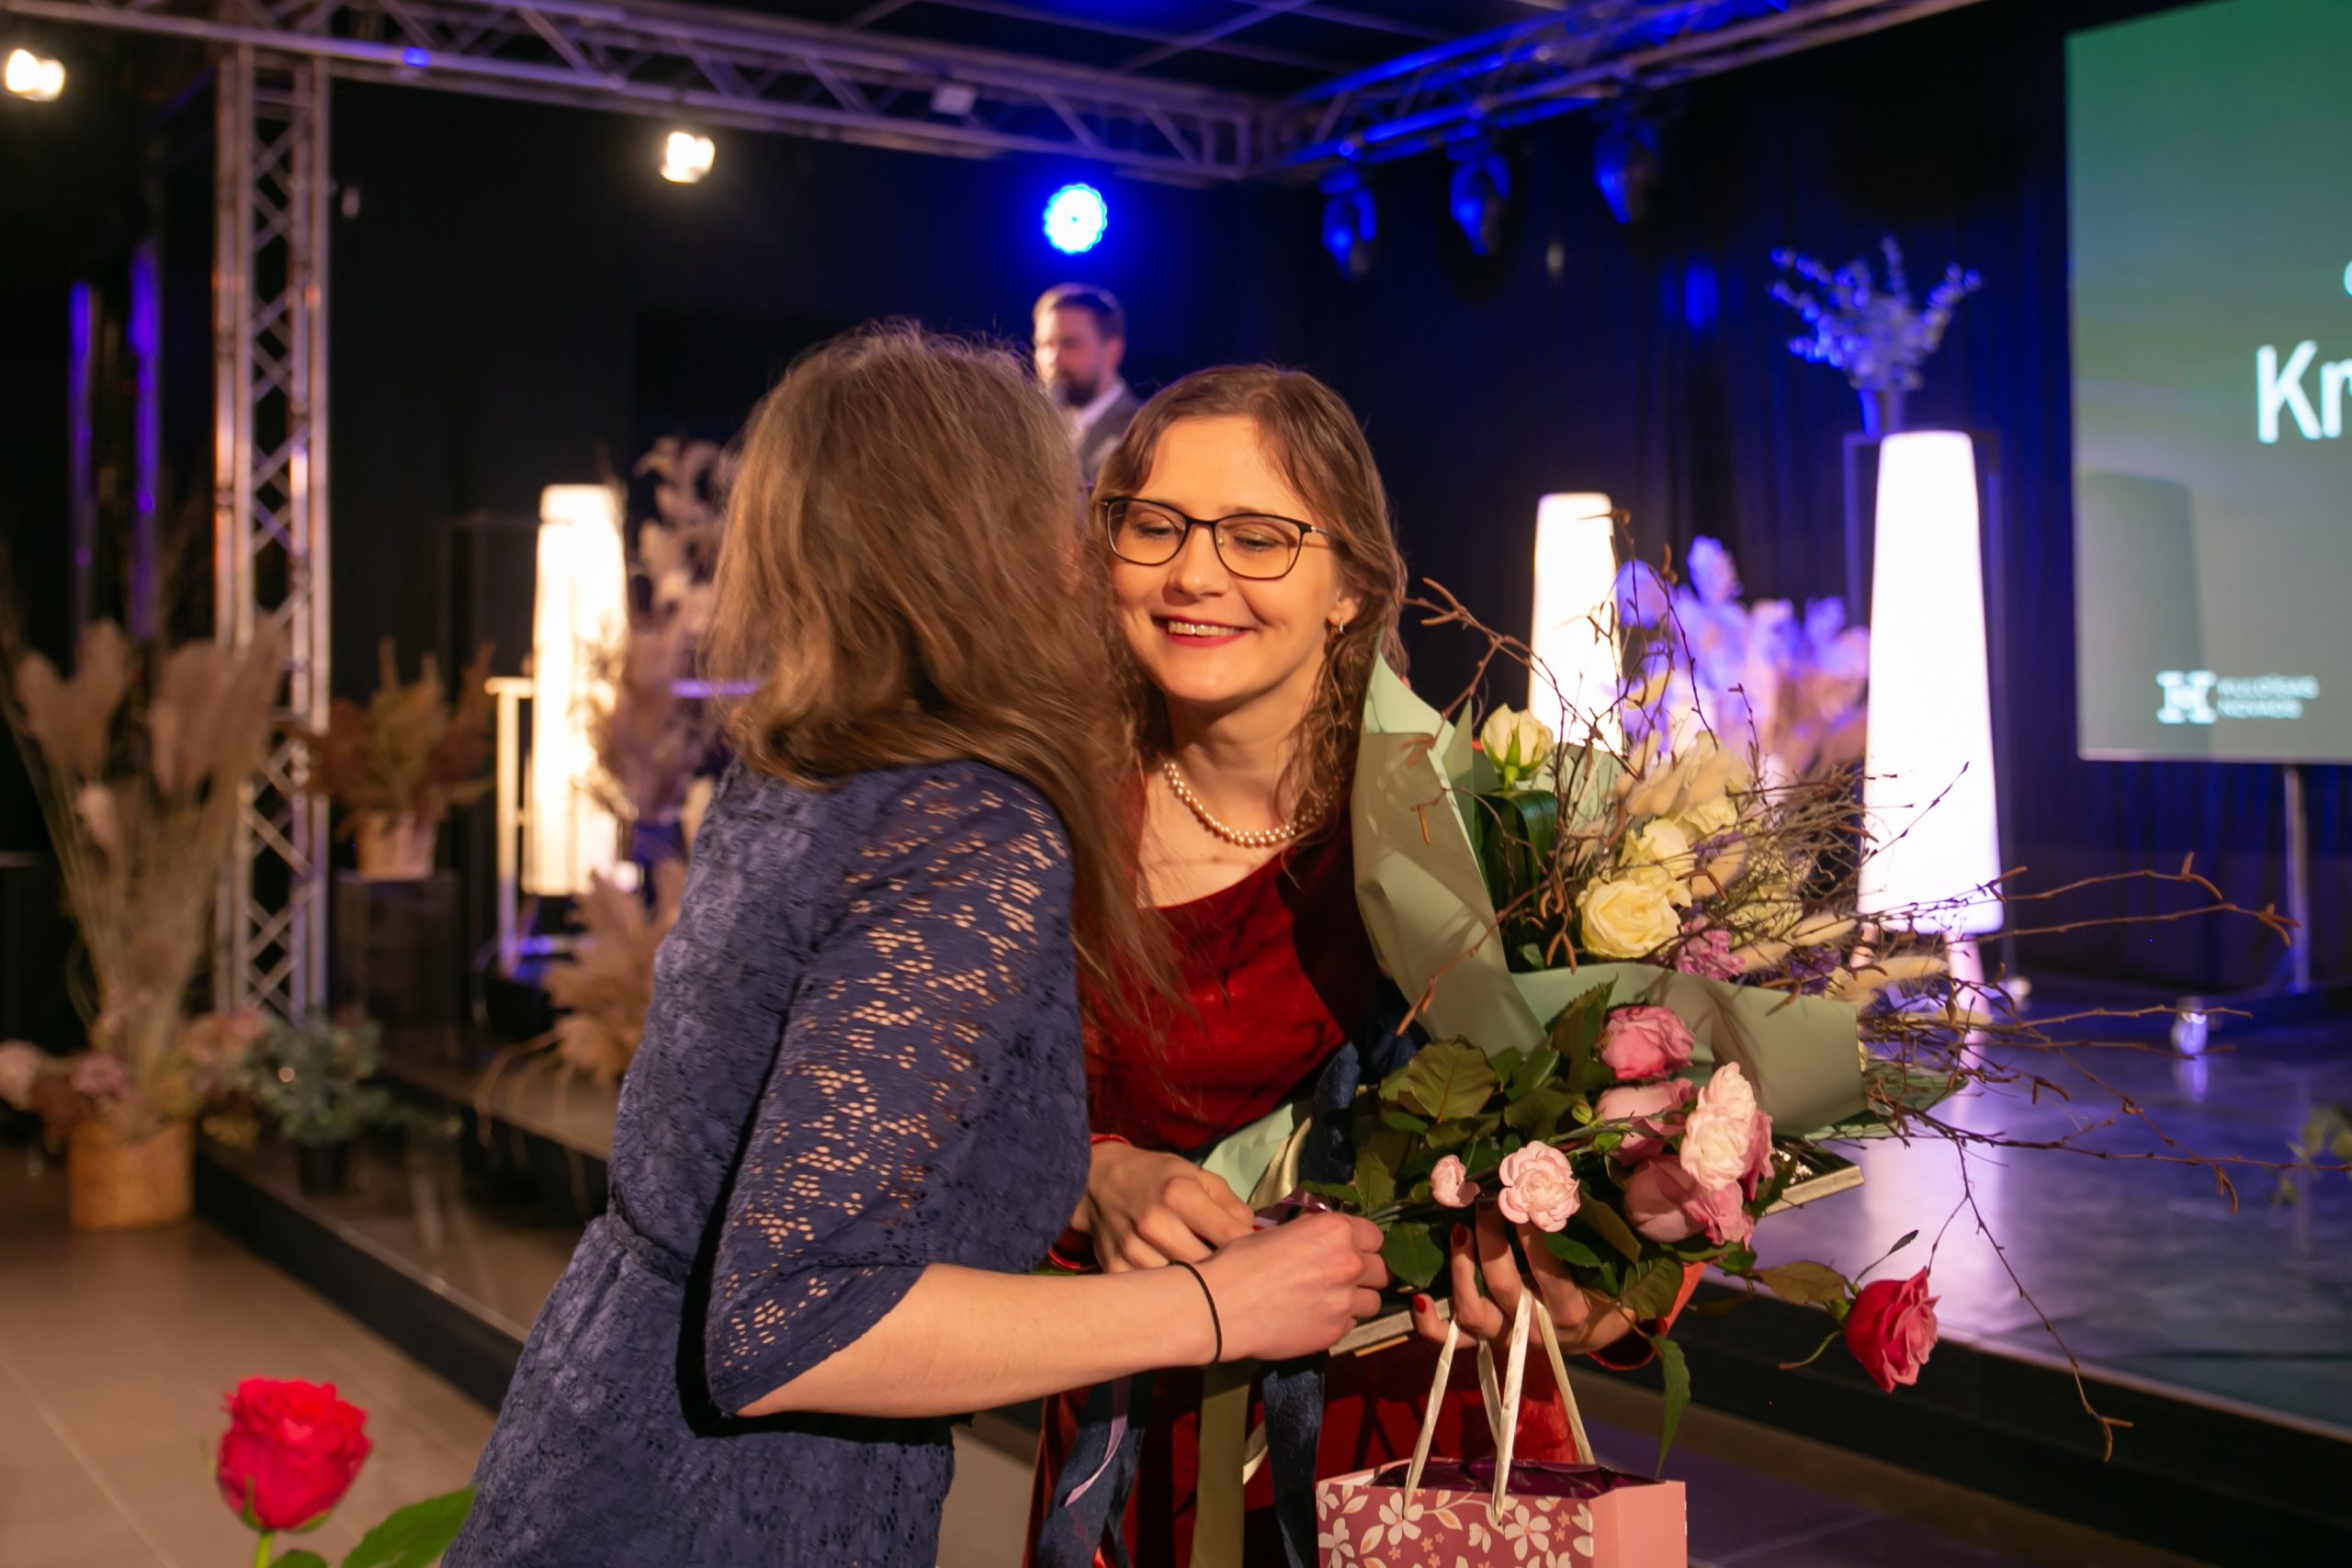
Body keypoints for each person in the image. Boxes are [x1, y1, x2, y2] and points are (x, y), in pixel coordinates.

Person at [444, 329, 1389, 1567]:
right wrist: (1211, 1302)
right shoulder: (968, 824)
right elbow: (788, 1317)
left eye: (1254, 535)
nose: (1156, 563)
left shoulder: (804, 768)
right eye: (1130, 520)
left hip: (592, 1440)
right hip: (740, 1509)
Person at [1029, 366, 1681, 1567]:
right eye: (1153, 524)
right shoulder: (1037, 825)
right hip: (1142, 1440)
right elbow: (953, 1130)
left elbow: (1638, 1109)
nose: (1193, 574)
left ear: (1350, 589)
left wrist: (1601, 1277)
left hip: (1420, 1449)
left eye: (1257, 537)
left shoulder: (1474, 824)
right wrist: (1091, 1177)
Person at [1034, 283, 1140, 485]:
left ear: (1113, 351)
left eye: (1070, 344)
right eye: (1045, 345)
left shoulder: (1141, 431)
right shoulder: (1029, 427)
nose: (1053, 358)